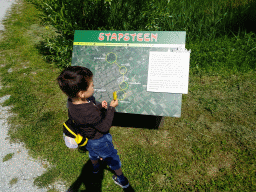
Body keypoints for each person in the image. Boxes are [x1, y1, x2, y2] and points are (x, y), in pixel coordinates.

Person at [57, 66, 129, 188]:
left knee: (93, 154)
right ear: (81, 93)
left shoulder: (71, 102)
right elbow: (104, 127)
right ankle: (122, 180)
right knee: (112, 158)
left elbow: (87, 118)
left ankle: (95, 168)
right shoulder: (89, 111)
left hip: (87, 138)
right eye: (92, 85)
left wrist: (99, 106)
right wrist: (111, 109)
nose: (93, 86)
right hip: (100, 140)